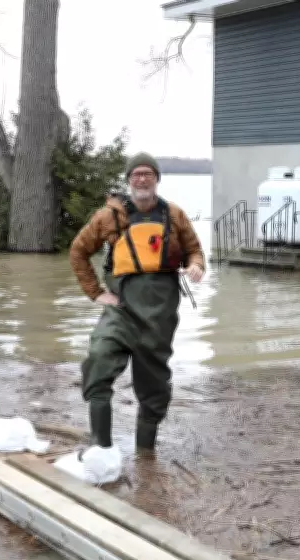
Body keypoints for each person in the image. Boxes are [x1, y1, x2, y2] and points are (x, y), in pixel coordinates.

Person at [69, 152, 205, 458]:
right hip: (121, 310)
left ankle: (145, 456)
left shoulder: (175, 214)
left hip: (159, 315)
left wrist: (196, 266)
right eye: (136, 175)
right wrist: (95, 293)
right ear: (129, 180)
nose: (141, 179)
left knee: (154, 387)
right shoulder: (109, 216)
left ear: (157, 179)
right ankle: (100, 448)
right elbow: (78, 252)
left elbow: (194, 251)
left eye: (147, 174)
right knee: (99, 359)